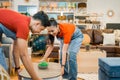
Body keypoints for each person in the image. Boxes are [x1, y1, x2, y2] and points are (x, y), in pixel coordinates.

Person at [0, 9, 50, 80]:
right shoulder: (24, 25)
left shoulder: (23, 21)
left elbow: (16, 50)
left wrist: (18, 69)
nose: (39, 32)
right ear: (37, 24)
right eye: (41, 29)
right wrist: (36, 78)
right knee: (3, 70)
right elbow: (24, 55)